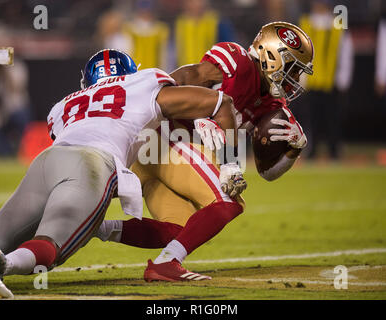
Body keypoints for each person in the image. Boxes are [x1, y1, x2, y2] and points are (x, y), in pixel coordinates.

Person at [0, 49, 245, 298]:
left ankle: (3, 257)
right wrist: (230, 163)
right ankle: (5, 266)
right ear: (130, 72)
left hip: (45, 160)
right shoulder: (142, 82)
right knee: (53, 245)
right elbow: (221, 102)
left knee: (3, 233)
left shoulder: (63, 105)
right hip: (93, 163)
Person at [95, 21, 313, 282]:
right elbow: (182, 78)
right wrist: (190, 108)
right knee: (227, 201)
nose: (295, 79)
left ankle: (96, 229)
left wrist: (292, 151)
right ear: (272, 56)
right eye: (292, 68)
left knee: (182, 228)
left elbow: (267, 172)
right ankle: (168, 263)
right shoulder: (238, 62)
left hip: (166, 156)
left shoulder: (271, 104)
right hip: (164, 141)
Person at [298, 0, 354, 160]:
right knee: (312, 118)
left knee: (332, 118)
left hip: (331, 81)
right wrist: (302, 79)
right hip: (313, 80)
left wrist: (343, 78)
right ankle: (313, 149)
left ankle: (334, 149)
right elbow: (301, 54)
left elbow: (345, 53)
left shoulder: (338, 27)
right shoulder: (306, 24)